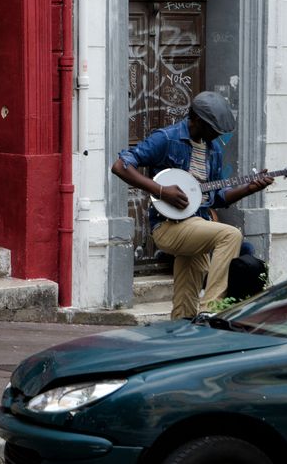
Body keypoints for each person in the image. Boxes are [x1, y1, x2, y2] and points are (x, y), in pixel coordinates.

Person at [111, 91, 273, 320]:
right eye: (212, 129)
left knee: (185, 303)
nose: (216, 135)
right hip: (168, 227)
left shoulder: (213, 149)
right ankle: (212, 307)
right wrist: (161, 191)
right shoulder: (166, 139)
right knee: (230, 235)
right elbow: (120, 166)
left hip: (197, 226)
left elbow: (215, 197)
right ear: (195, 119)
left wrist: (249, 188)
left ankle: (182, 331)